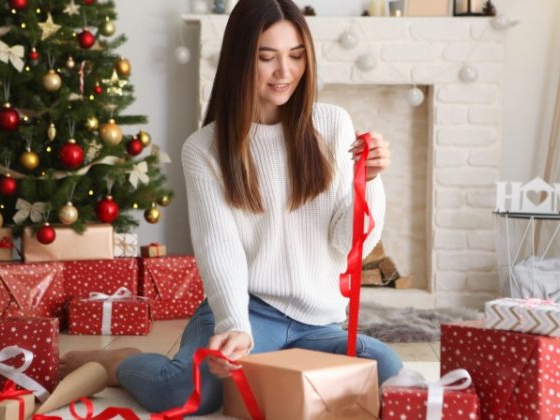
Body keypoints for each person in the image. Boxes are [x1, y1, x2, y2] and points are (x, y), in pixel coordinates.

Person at [59, 0, 401, 414]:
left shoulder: (332, 125)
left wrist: (372, 181)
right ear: (241, 59)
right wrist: (234, 327)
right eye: (267, 57)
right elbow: (219, 249)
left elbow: (351, 246)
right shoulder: (204, 149)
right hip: (250, 310)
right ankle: (120, 361)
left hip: (320, 324)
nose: (285, 72)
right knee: (181, 393)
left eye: (296, 56)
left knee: (390, 370)